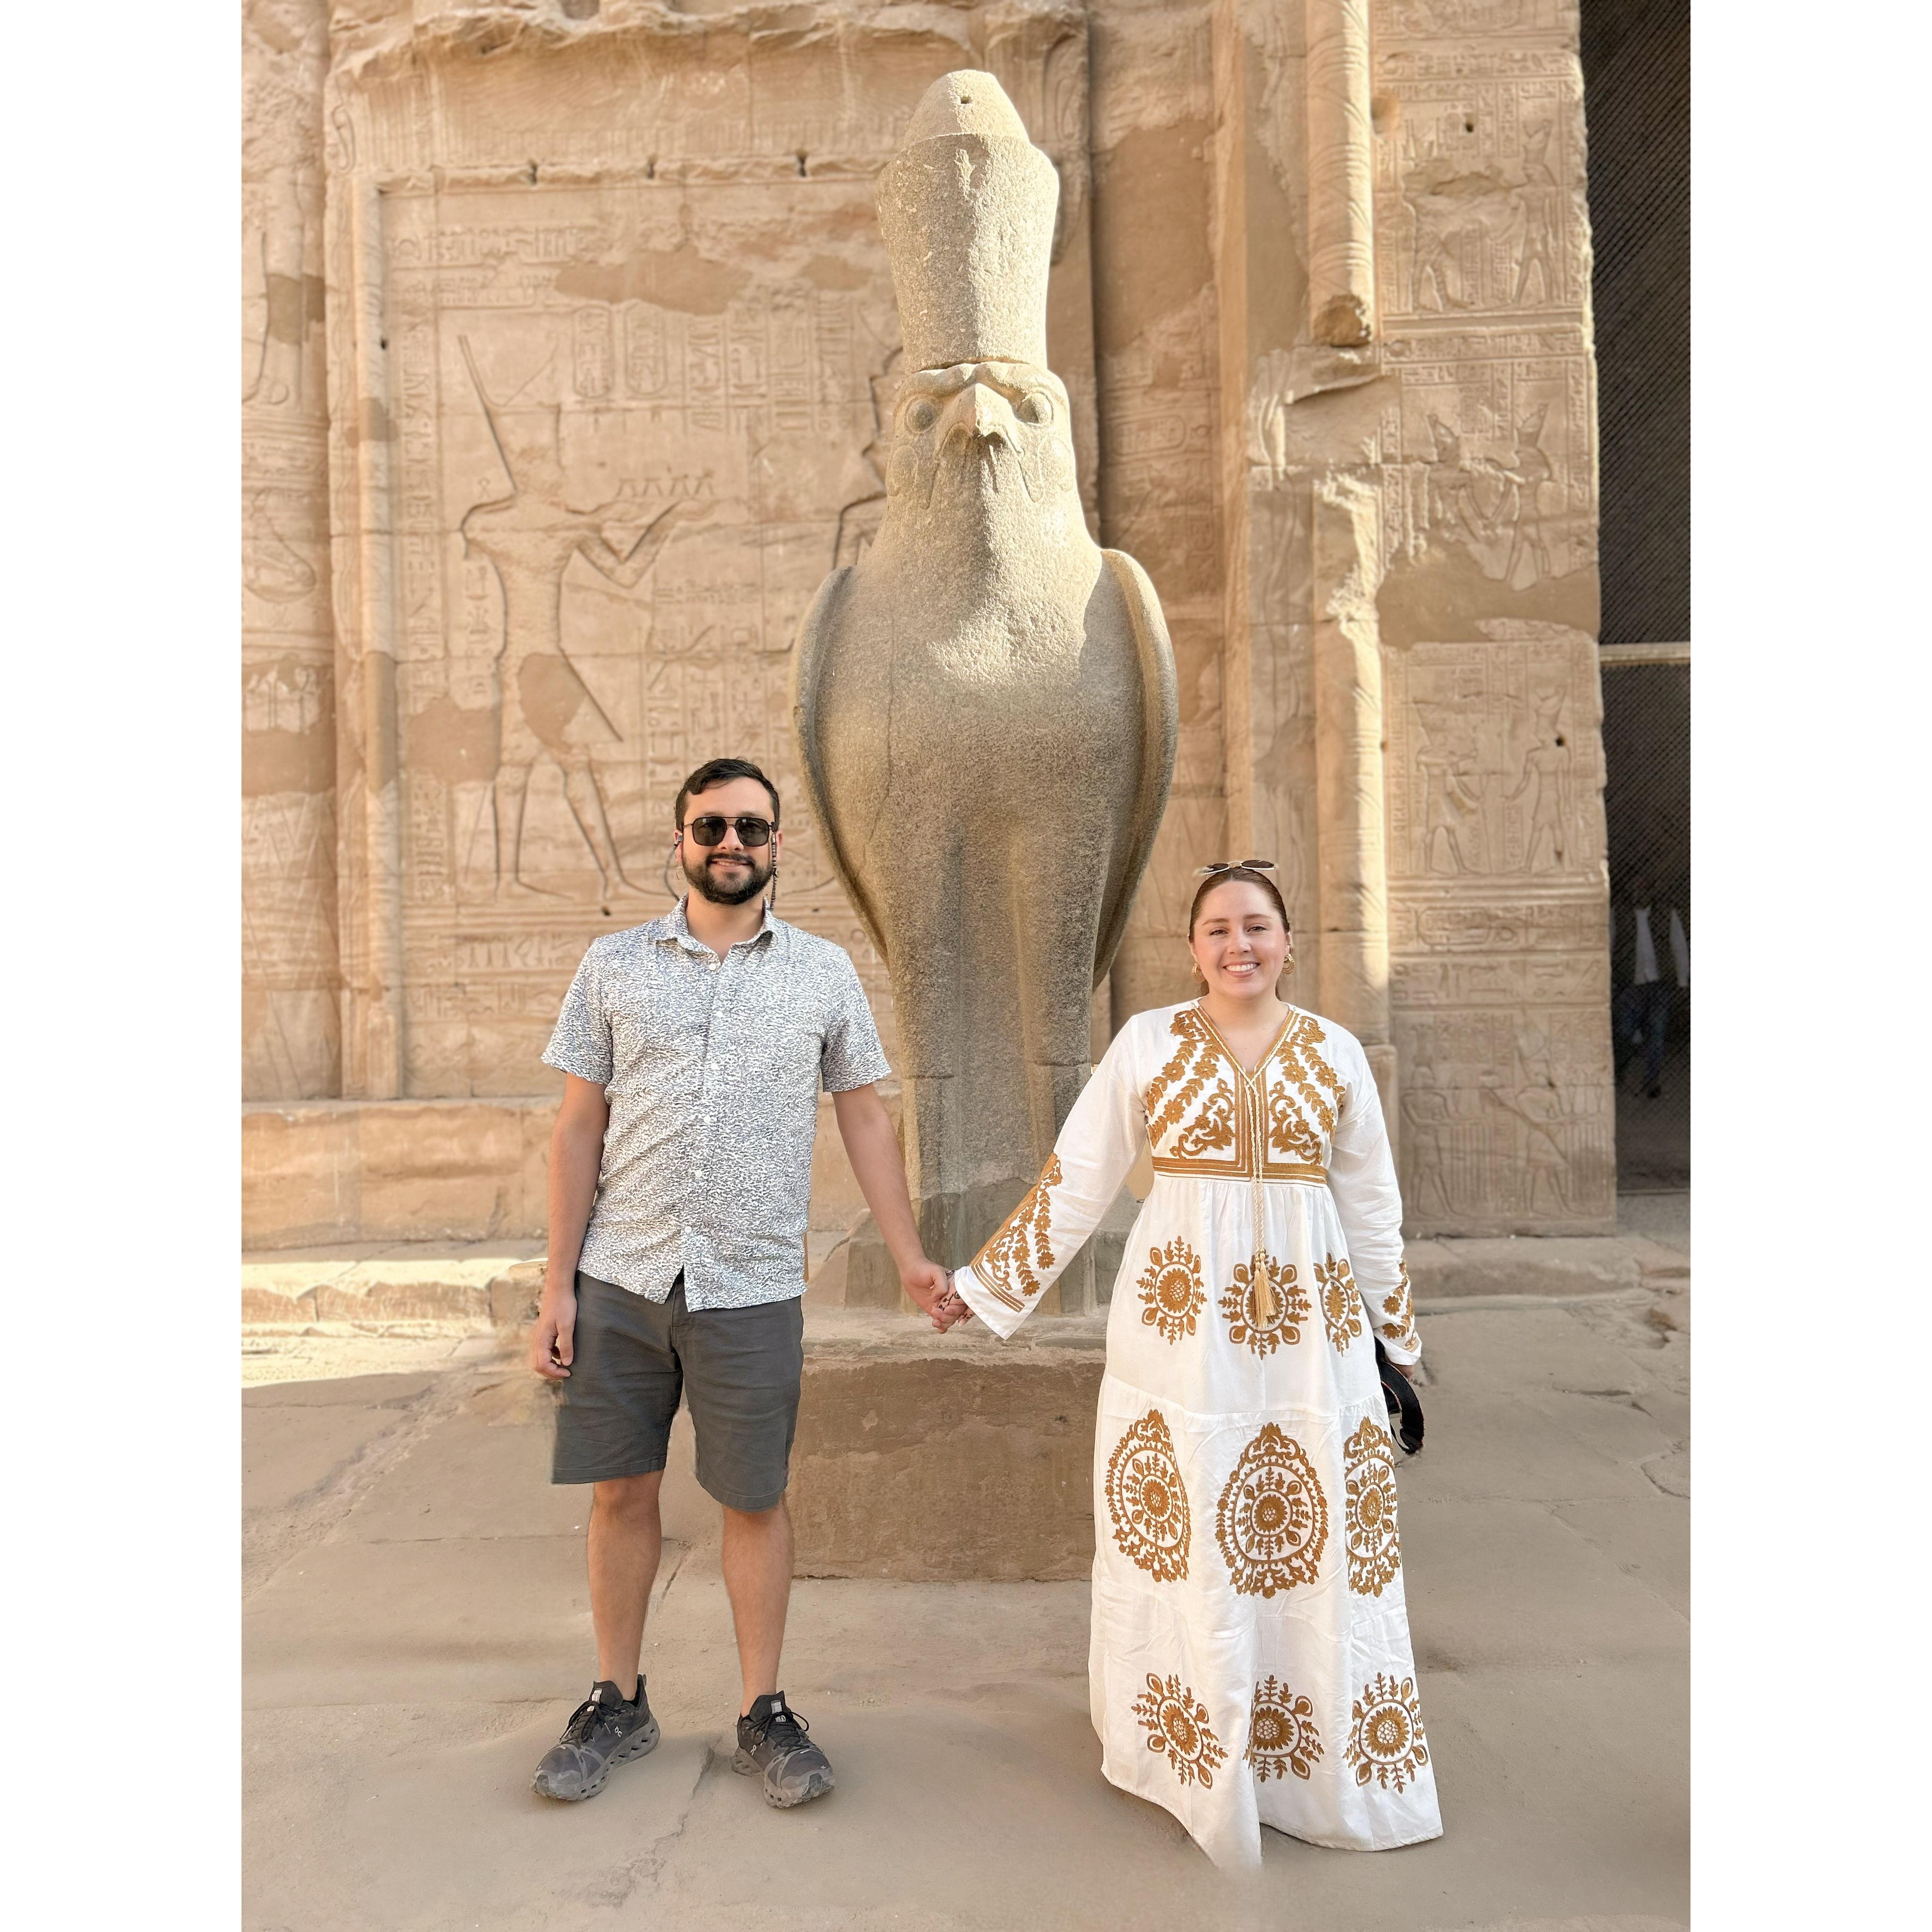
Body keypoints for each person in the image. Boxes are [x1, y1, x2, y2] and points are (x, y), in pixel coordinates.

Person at [934, 862, 1442, 1868]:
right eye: (1216, 928)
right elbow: (1076, 1178)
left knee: (1311, 1536)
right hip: (1178, 1337)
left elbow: (1372, 1208)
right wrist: (983, 1284)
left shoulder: (1334, 1053)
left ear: (1288, 940)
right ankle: (1189, 1754)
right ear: (1193, 946)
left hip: (1313, 1341)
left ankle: (1310, 1769)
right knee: (1191, 1528)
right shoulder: (1147, 1043)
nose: (1236, 944)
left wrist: (1398, 1343)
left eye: (1256, 925)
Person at [525, 756, 956, 1810]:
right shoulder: (613, 965)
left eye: (750, 828)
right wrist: (554, 1288)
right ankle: (617, 1698)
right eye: (709, 825)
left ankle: (763, 1706)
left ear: (774, 845)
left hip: (751, 1279)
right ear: (677, 840)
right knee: (621, 1490)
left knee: (753, 1497)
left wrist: (906, 1254)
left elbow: (863, 1112)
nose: (730, 843)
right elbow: (579, 1129)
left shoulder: (821, 972)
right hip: (621, 1273)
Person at [1610, 875, 1690, 1098]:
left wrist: (1683, 980)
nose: (1640, 893)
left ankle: (1651, 1081)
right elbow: (1609, 943)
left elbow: (1678, 945)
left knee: (1656, 1034)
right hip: (1630, 985)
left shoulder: (1666, 913)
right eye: (1636, 889)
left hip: (1658, 985)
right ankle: (1619, 1071)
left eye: (1645, 888)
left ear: (1652, 891)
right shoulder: (1619, 914)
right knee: (1624, 1032)